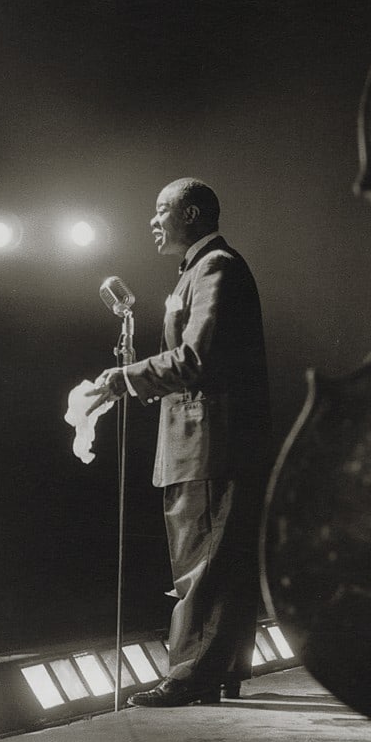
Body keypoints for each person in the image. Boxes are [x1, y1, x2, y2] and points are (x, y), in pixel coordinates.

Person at [86, 178, 271, 707]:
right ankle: (220, 671)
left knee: (203, 561)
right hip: (201, 442)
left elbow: (197, 358)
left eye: (162, 210)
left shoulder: (214, 268)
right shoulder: (200, 270)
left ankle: (192, 675)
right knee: (218, 562)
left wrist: (126, 377)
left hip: (210, 444)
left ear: (190, 214)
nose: (152, 220)